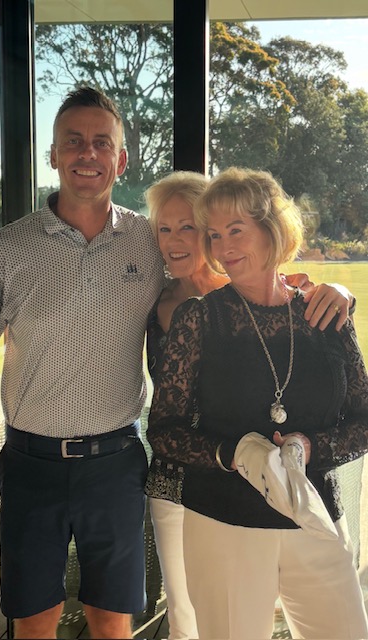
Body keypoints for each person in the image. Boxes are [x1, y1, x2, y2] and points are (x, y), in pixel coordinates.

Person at [0, 87, 164, 639]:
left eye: (101, 142)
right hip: (31, 466)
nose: (87, 153)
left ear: (121, 159)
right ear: (52, 154)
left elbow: (215, 279)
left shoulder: (150, 244)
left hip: (116, 464)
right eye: (73, 141)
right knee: (33, 622)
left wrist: (305, 286)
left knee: (111, 621)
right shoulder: (5, 249)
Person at [147, 166, 368, 640]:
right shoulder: (198, 319)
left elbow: (364, 421)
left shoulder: (326, 314)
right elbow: (163, 431)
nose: (223, 247)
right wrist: (233, 454)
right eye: (214, 235)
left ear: (272, 229)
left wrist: (310, 447)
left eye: (236, 230)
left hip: (315, 517)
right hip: (224, 525)